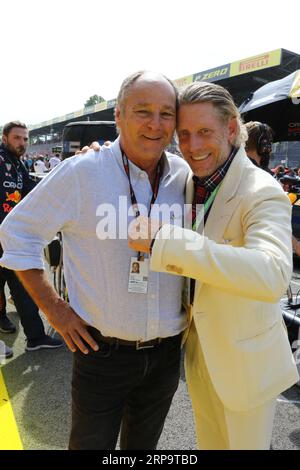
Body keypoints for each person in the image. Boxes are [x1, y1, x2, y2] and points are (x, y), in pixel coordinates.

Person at [0, 72, 190, 450]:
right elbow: (16, 233)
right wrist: (54, 309)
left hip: (168, 353)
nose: (155, 124)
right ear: (118, 116)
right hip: (101, 352)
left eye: (166, 113)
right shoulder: (83, 171)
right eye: (142, 111)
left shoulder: (184, 177)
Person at [128, 81, 299, 450]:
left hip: (245, 366)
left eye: (204, 132)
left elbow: (272, 274)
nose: (192, 146)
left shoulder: (263, 190)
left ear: (232, 129)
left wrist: (165, 241)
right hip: (199, 355)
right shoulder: (193, 180)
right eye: (184, 135)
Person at [0, 121, 63, 351]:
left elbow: (31, 189)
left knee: (24, 288)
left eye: (25, 139)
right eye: (17, 138)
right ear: (5, 138)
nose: (22, 143)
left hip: (13, 239)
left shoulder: (18, 164)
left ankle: (36, 337)